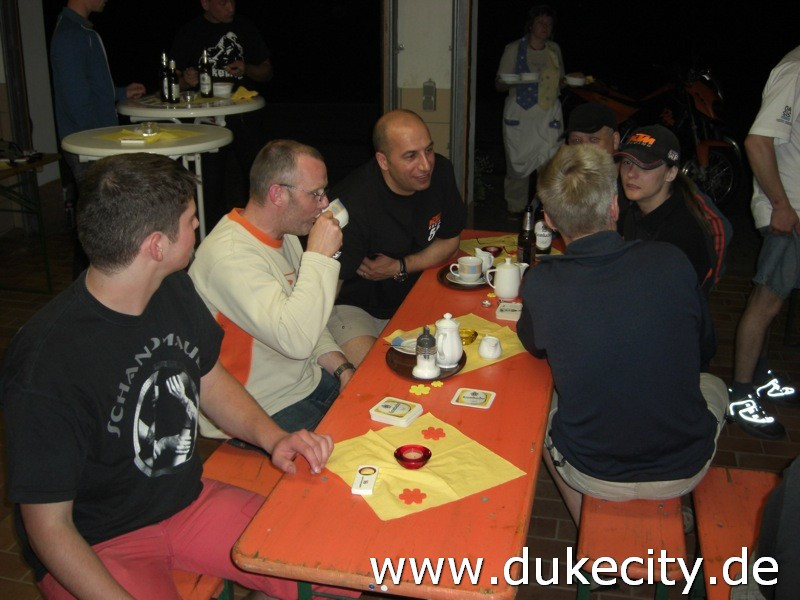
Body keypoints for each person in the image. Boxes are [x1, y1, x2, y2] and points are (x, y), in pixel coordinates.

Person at [0, 153, 349, 599]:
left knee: (332, 563)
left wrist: (274, 437)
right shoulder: (46, 365)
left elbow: (209, 378)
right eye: (189, 220)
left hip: (185, 501)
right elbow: (48, 528)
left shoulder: (173, 288)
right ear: (156, 246)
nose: (199, 226)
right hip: (101, 542)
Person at [517, 144, 728, 524]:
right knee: (714, 385)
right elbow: (703, 350)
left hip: (591, 471)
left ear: (549, 219)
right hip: (684, 466)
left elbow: (534, 347)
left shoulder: (541, 282)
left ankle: (589, 526)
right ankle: (665, 510)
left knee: (537, 405)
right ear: (614, 206)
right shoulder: (671, 260)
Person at [189, 140, 353, 437]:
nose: (324, 203)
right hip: (261, 409)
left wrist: (342, 369)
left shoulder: (285, 234)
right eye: (315, 194)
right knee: (362, 447)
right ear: (277, 194)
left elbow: (310, 318)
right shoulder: (231, 257)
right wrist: (318, 256)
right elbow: (297, 339)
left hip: (306, 384)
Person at [328, 109, 467, 367]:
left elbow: (450, 241)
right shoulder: (354, 204)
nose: (426, 165)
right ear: (383, 161)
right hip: (357, 308)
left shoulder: (442, 172)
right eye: (410, 156)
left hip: (417, 295)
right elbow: (328, 287)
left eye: (428, 150)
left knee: (460, 355)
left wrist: (400, 266)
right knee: (376, 375)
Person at [728, 45, 800, 441]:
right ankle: (740, 396)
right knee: (766, 301)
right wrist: (781, 205)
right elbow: (757, 141)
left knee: (775, 299)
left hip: (792, 208)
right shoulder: (795, 70)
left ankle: (759, 375)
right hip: (790, 211)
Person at [50, 0, 146, 277]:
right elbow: (78, 105)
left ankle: (95, 287)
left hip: (94, 143)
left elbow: (86, 88)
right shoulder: (70, 36)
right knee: (99, 226)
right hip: (88, 146)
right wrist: (105, 144)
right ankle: (87, 289)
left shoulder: (81, 31)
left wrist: (120, 93)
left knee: (100, 221)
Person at [171, 0, 273, 228]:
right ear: (205, 4)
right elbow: (173, 81)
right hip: (206, 119)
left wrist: (247, 68)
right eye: (223, 3)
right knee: (209, 182)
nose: (231, 8)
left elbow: (267, 71)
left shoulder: (245, 27)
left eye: (232, 2)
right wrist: (186, 81)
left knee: (260, 176)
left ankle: (260, 230)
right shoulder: (190, 31)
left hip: (244, 115)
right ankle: (213, 233)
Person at [617, 125, 727, 297]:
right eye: (627, 162)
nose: (631, 173)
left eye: (645, 166)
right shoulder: (633, 211)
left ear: (671, 173)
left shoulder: (682, 235)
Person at [495, 4, 564, 217]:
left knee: (550, 165)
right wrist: (517, 80)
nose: (545, 27)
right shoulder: (514, 49)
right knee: (517, 166)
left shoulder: (554, 50)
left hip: (548, 115)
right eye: (541, 22)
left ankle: (548, 210)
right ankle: (515, 210)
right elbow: (499, 84)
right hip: (520, 114)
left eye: (549, 24)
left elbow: (560, 81)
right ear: (531, 24)